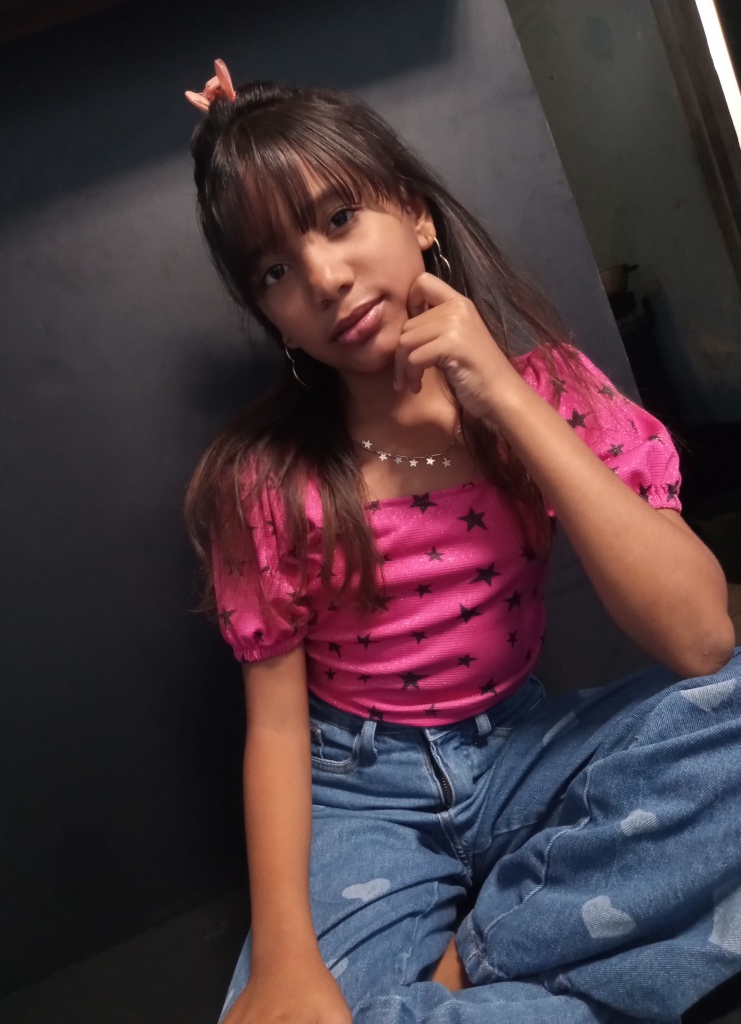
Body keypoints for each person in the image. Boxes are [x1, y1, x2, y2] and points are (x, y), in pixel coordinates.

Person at [184, 61, 741, 1024]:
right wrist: (283, 960)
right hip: (366, 794)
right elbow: (273, 729)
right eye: (274, 272)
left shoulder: (552, 391)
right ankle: (570, 976)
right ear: (271, 316)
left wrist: (509, 400)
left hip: (526, 749)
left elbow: (702, 639)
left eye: (339, 219)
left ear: (415, 213)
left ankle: (473, 967)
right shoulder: (268, 482)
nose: (323, 278)